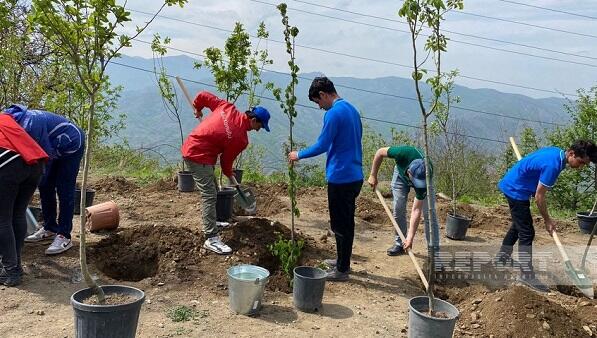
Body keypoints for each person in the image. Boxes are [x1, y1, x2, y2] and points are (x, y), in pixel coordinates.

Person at [288, 76, 363, 281]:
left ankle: (342, 270)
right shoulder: (352, 109)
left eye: (318, 102)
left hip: (341, 177)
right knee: (346, 223)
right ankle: (342, 261)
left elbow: (322, 145)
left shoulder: (333, 114)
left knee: (340, 225)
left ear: (323, 94)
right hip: (355, 175)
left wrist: (298, 155)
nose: (320, 107)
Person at [496, 140, 596, 292]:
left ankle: (502, 257)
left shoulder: (556, 152)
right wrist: (548, 221)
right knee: (527, 232)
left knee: (518, 225)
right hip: (515, 190)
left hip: (515, 183)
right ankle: (526, 275)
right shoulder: (553, 166)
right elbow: (539, 197)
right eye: (581, 162)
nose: (581, 167)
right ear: (571, 154)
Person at [182, 91, 271, 255]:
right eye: (260, 126)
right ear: (253, 120)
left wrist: (198, 108)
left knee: (214, 190)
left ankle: (213, 221)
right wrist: (232, 177)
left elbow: (202, 95)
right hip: (197, 155)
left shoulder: (227, 107)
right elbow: (225, 163)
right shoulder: (240, 139)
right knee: (209, 195)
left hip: (197, 149)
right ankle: (211, 238)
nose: (259, 130)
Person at [3, 105, 84, 255]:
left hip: (71, 144)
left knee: (64, 189)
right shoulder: (11, 121)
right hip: (52, 145)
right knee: (45, 184)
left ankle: (64, 235)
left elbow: (38, 158)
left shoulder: (31, 125)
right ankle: (50, 227)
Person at [0, 113, 48, 286]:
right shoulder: (4, 117)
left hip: (8, 165)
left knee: (2, 219)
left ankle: (11, 271)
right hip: (35, 163)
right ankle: (15, 265)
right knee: (17, 214)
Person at [367, 145, 440, 256]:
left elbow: (416, 210)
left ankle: (434, 253)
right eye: (415, 181)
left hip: (421, 177)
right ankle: (400, 243)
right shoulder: (402, 153)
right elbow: (379, 152)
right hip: (400, 175)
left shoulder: (425, 179)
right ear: (409, 173)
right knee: (398, 209)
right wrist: (373, 175)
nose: (416, 185)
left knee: (430, 214)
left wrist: (410, 237)